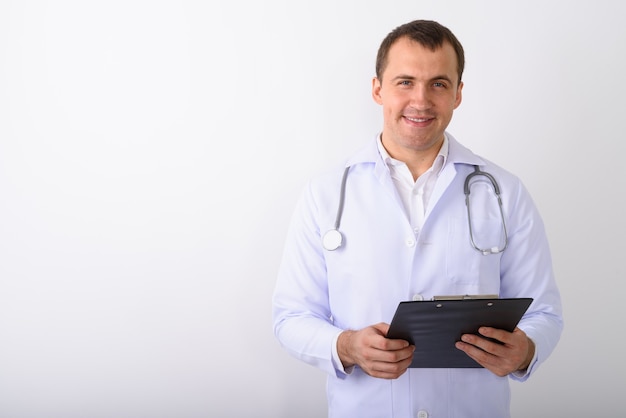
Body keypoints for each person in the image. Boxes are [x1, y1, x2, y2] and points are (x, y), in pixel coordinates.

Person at [272, 19, 563, 418]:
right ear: (378, 89)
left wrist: (526, 350)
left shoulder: (504, 192)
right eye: (405, 82)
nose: (421, 100)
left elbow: (544, 313)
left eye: (439, 84)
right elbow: (291, 317)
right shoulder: (325, 194)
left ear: (458, 94)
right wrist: (346, 346)